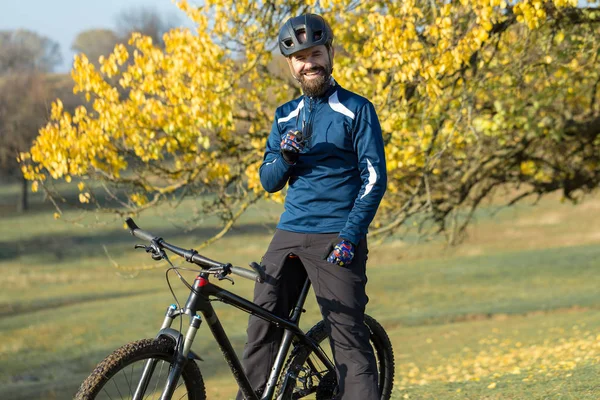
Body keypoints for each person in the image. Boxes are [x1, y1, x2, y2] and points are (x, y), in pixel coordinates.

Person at [238, 13, 387, 400]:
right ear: (291, 65)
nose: (310, 63)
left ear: (330, 53)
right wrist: (285, 156)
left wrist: (351, 237)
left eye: (316, 53)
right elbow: (269, 181)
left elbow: (374, 180)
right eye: (300, 58)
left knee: (348, 339)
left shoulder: (357, 109)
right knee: (262, 329)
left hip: (337, 234)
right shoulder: (284, 116)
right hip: (289, 233)